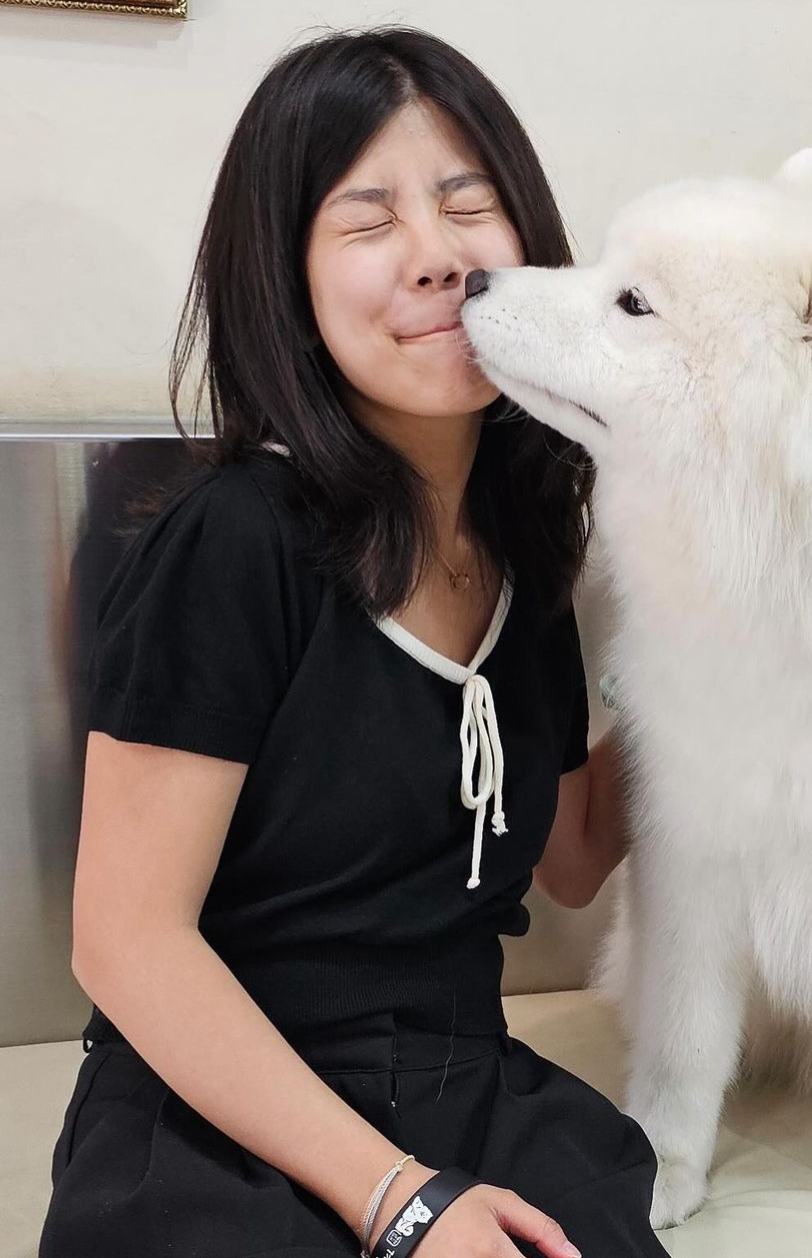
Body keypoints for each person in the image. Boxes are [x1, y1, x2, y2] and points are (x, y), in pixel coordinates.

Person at [39, 26, 667, 1258]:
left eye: (466, 202)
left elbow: (580, 857)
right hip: (218, 1114)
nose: (434, 257)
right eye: (368, 221)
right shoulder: (234, 541)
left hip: (461, 1085)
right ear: (288, 276)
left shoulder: (525, 544)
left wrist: (737, 633)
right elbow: (123, 938)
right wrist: (403, 1202)